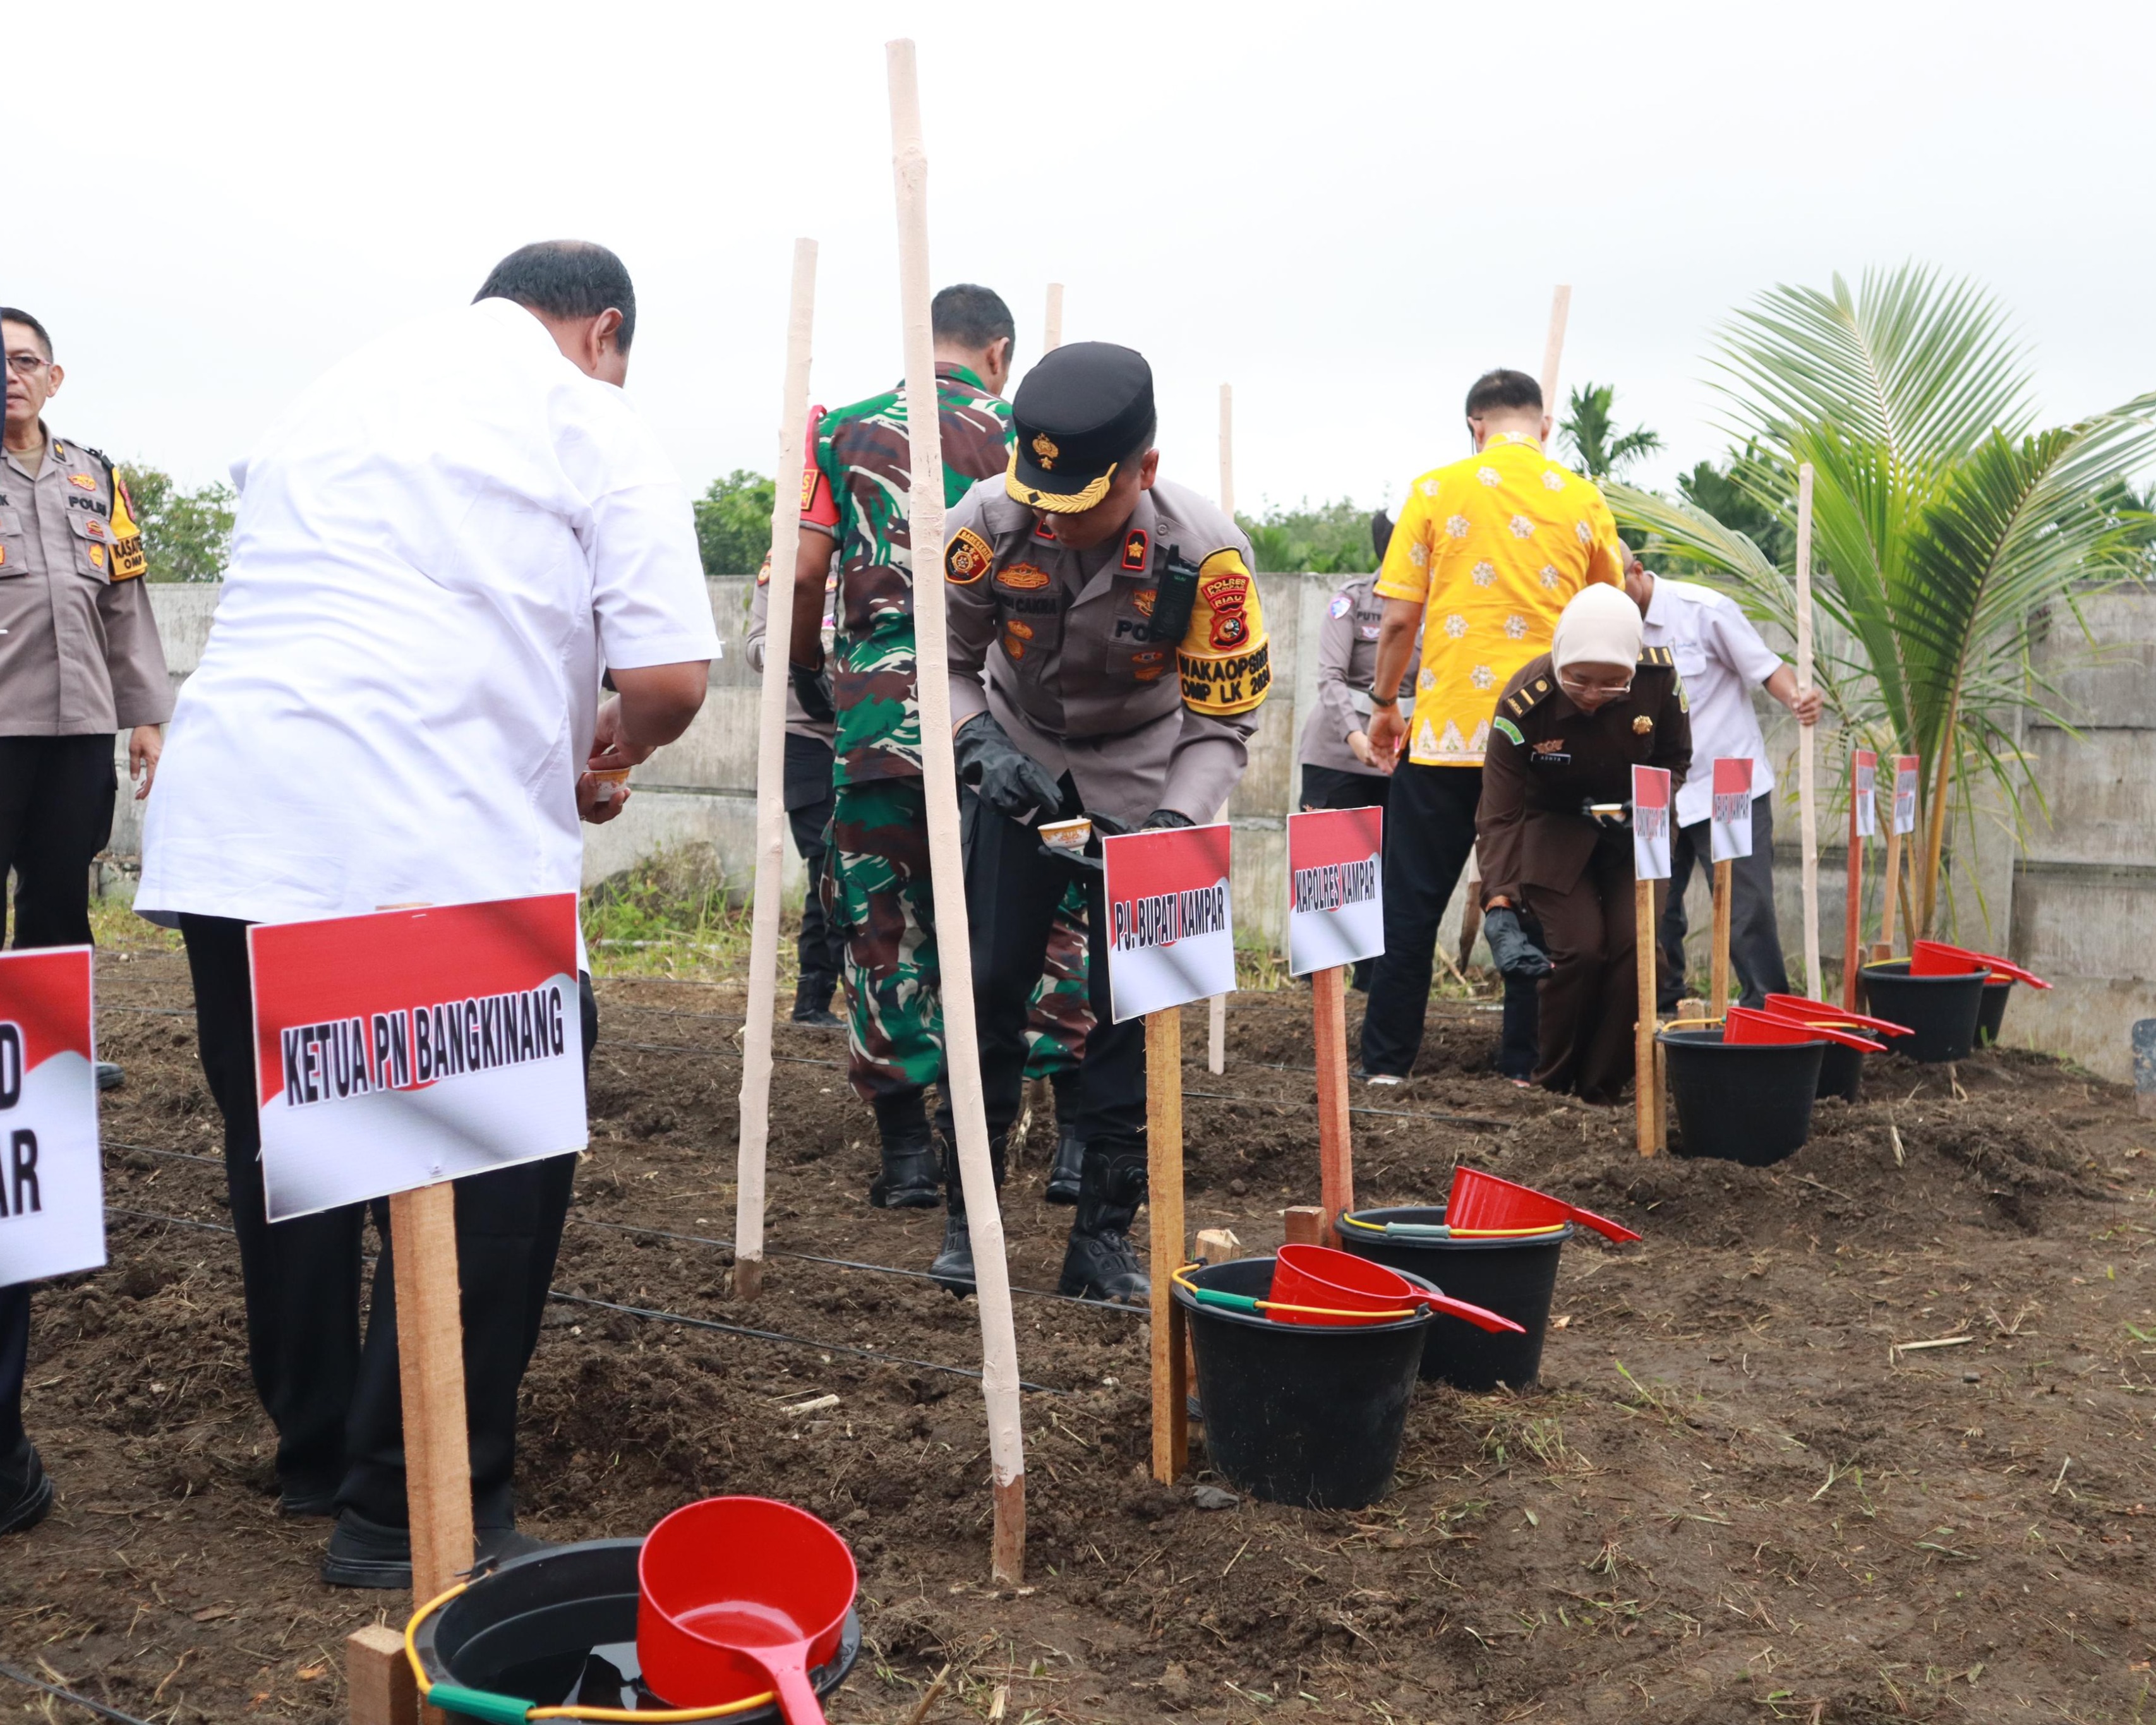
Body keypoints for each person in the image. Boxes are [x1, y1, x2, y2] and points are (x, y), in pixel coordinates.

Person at [135, 242, 718, 1588]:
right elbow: (673, 677)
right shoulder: (587, 416)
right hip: (424, 832)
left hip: (238, 819)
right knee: (493, 1155)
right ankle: (412, 1505)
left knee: (295, 1141)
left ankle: (316, 1454)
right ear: (603, 330)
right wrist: (609, 754)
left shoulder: (336, 394)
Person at [939, 340, 1270, 1301]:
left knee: (1136, 1003)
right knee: (989, 984)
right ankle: (973, 1216)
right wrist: (977, 746)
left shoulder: (1207, 555)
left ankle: (1103, 1237)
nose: (1052, 521)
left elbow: (1222, 718)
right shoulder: (985, 525)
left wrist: (1172, 822)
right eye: (1040, 496)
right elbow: (947, 657)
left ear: (1145, 472)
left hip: (1151, 767)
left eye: (1080, 504)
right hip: (1020, 759)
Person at [784, 284, 1016, 1216]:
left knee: (882, 924)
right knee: (1022, 922)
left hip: (877, 711)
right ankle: (1040, 1148)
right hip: (1000, 716)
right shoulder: (1025, 430)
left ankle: (909, 1155)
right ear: (997, 353)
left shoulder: (842, 431)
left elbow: (805, 570)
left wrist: (809, 675)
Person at [1359, 369, 1625, 1083]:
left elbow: (1397, 619)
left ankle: (1385, 1065)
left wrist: (1385, 704)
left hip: (1446, 737)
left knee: (1409, 907)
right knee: (1532, 906)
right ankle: (1523, 1066)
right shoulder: (1581, 498)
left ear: (1474, 427)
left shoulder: (1435, 490)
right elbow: (1615, 609)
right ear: (1544, 428)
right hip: (1544, 741)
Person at [3, 307, 172, 1089]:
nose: (11, 376)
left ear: (52, 377)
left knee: (61, 895)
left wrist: (145, 713)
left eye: (25, 361)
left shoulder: (95, 478)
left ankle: (54, 1055)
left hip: (78, 734)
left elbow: (124, 605)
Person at [1476, 584, 1692, 1099]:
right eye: (1579, 680)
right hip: (1552, 825)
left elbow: (1674, 760)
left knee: (1638, 953)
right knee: (1577, 950)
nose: (1594, 694)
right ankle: (1551, 1083)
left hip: (1636, 823)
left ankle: (1601, 1086)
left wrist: (1647, 807)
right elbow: (1500, 811)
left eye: (1612, 684)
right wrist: (1499, 899)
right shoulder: (1524, 701)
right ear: (1558, 659)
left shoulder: (1659, 680)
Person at [1625, 546, 1820, 1008]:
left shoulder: (1702, 611)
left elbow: (1767, 667)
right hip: (1655, 794)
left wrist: (1797, 697)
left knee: (1744, 910)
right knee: (1653, 914)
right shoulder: (1601, 626)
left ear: (1636, 571)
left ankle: (1766, 1014)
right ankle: (1662, 1018)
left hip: (1725, 784)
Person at [1296, 508, 1412, 990]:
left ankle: (1371, 986)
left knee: (1386, 876)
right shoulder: (1352, 600)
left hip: (1402, 755)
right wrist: (1356, 737)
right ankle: (1320, 988)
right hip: (1337, 754)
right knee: (1328, 875)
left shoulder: (1441, 609)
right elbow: (1330, 677)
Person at [744, 541, 844, 1025]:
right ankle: (819, 998)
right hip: (802, 734)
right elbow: (755, 646)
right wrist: (806, 646)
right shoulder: (790, 558)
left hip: (873, 730)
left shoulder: (893, 547)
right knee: (829, 866)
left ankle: (816, 1002)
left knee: (853, 865)